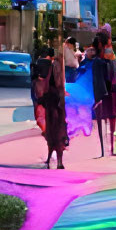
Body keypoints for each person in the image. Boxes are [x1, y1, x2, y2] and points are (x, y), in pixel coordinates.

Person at [30, 30, 70, 169]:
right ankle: (59, 159)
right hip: (56, 101)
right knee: (58, 127)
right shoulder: (56, 66)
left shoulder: (43, 64)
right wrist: (62, 95)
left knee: (51, 128)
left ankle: (50, 156)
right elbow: (59, 84)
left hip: (48, 100)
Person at [89, 28, 116, 157]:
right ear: (102, 45)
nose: (109, 47)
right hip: (104, 94)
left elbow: (114, 74)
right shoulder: (98, 61)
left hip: (110, 92)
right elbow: (98, 80)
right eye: (107, 44)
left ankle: (110, 148)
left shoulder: (107, 58)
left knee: (111, 119)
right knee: (103, 120)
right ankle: (104, 149)